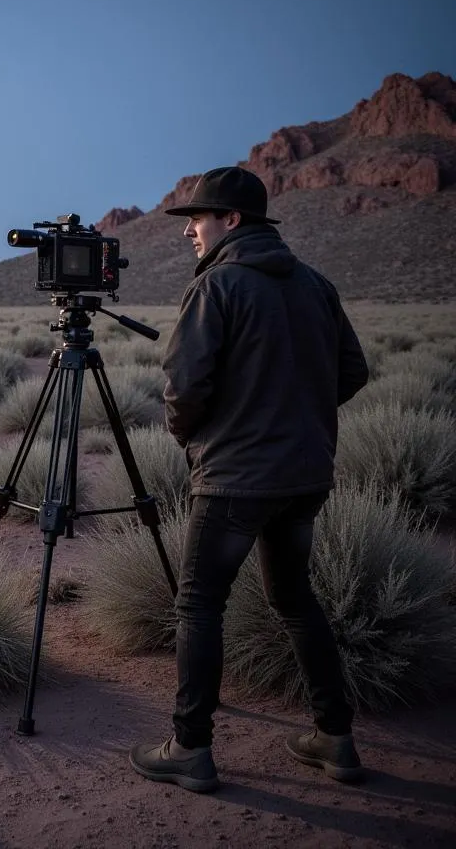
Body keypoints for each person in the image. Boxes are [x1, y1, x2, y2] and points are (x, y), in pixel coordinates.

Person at [129, 166, 369, 793]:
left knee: (200, 605)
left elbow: (184, 386)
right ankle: (335, 738)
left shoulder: (218, 286)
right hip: (304, 476)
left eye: (198, 220)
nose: (190, 233)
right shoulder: (318, 286)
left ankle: (189, 747)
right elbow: (352, 372)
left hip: (236, 480)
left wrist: (193, 436)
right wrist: (299, 418)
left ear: (231, 221)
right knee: (294, 598)